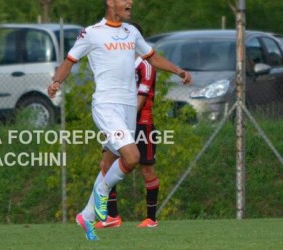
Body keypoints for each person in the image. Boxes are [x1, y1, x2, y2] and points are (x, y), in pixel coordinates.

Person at [47, 0, 191, 241]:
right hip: (106, 106)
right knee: (132, 157)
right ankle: (102, 192)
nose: (130, 2)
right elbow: (69, 61)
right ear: (110, 2)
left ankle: (86, 214)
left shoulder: (131, 32)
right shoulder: (92, 33)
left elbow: (153, 58)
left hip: (128, 109)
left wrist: (179, 71)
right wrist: (56, 82)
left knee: (107, 165)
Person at [95, 22, 160, 229]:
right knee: (106, 166)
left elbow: (141, 97)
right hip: (118, 122)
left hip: (142, 124)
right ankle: (112, 217)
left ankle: (151, 219)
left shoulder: (146, 65)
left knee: (146, 171)